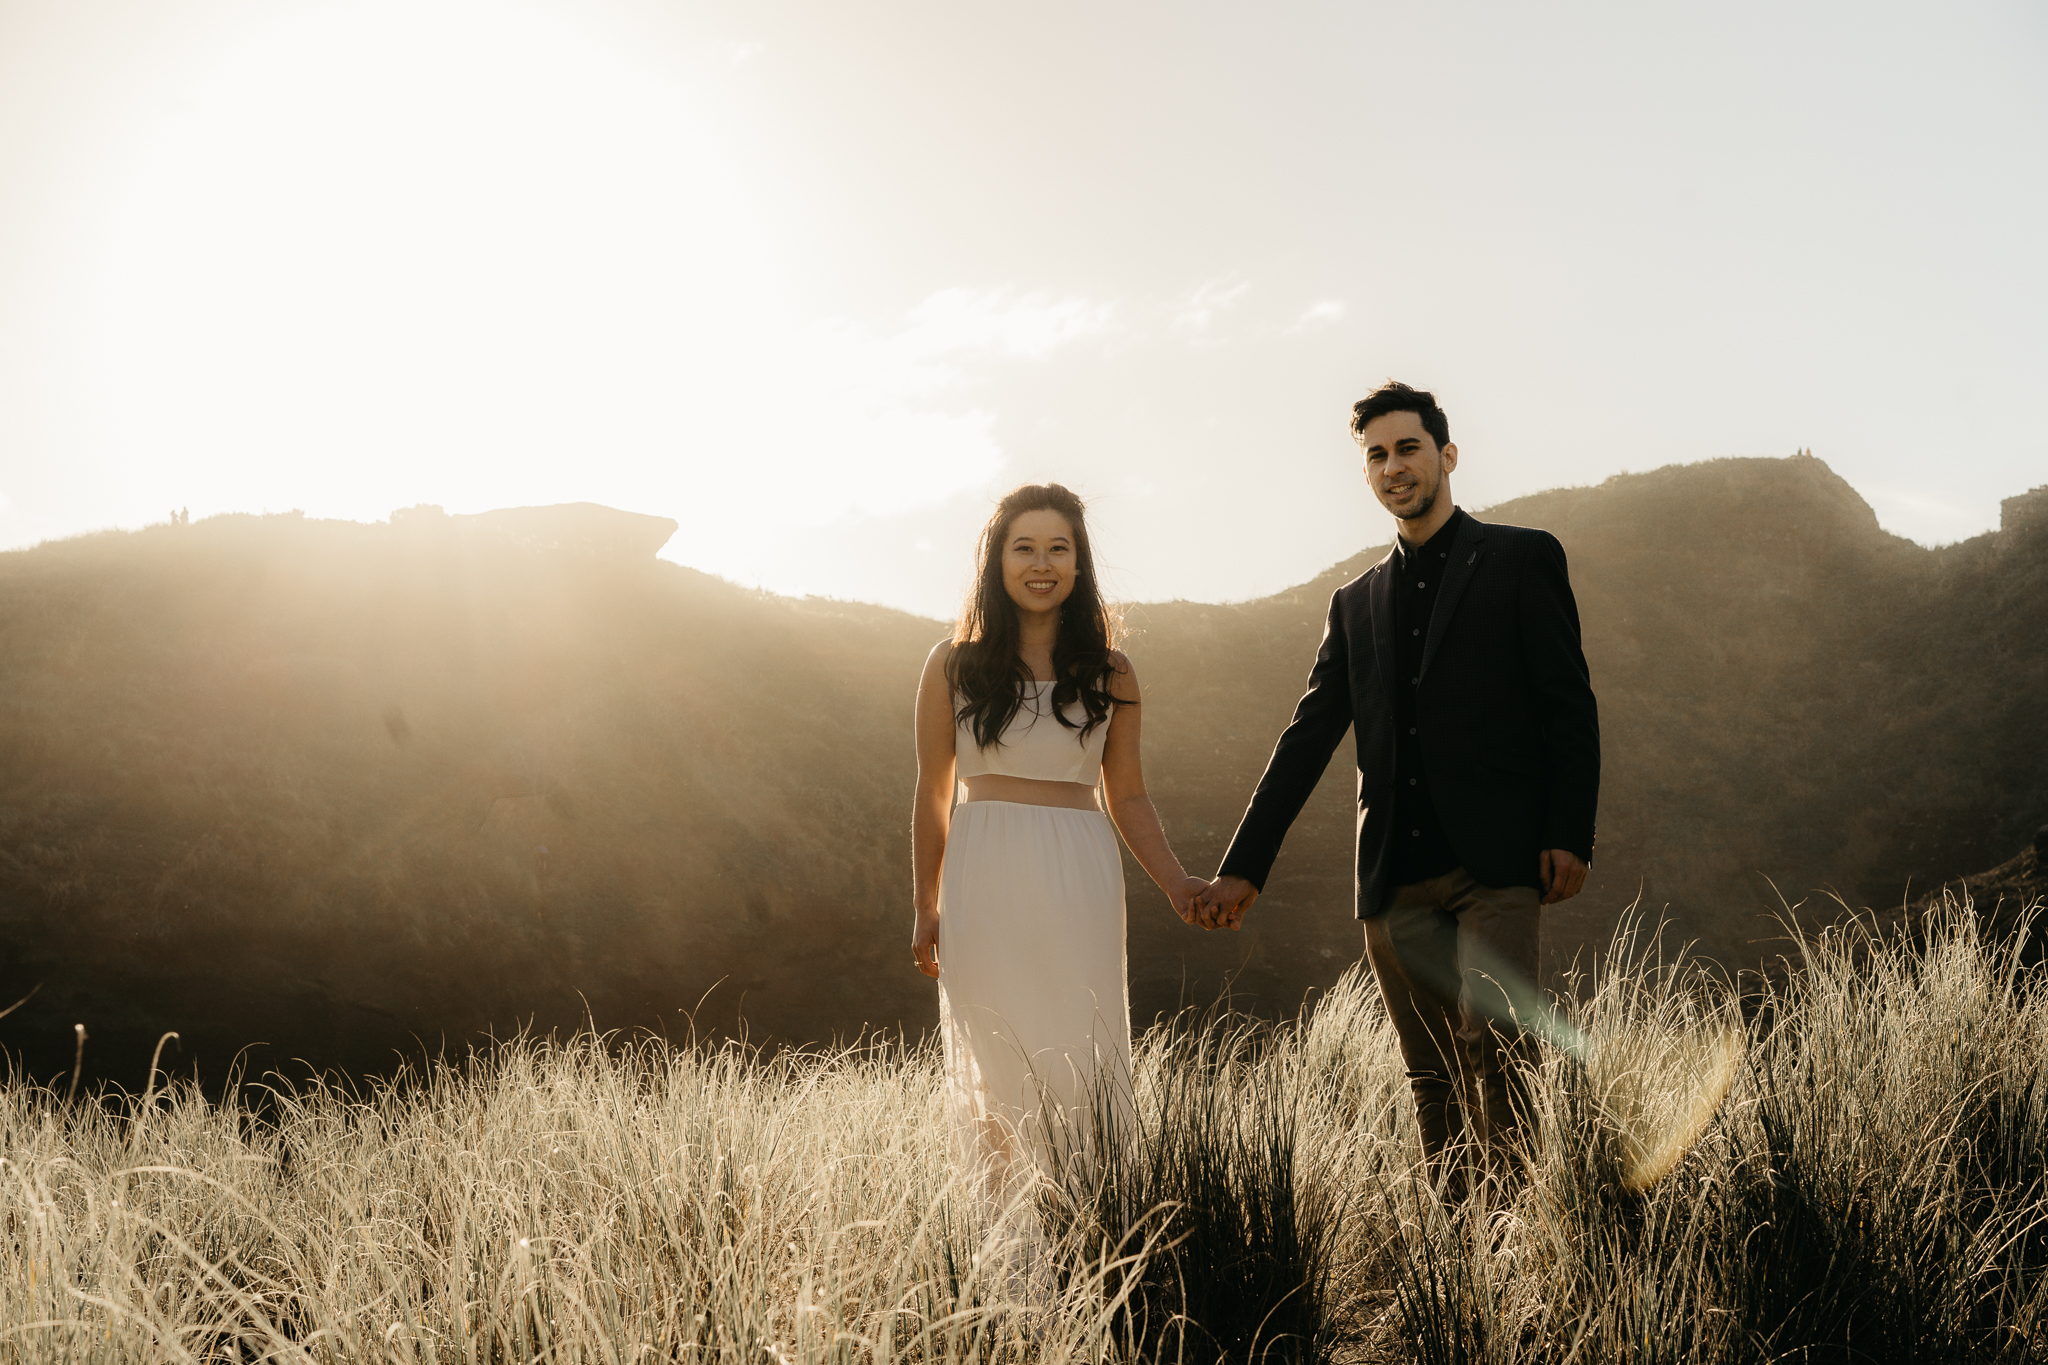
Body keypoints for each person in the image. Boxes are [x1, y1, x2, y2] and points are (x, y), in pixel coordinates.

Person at [1195, 381, 1600, 1195]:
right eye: (1376, 456)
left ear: (1446, 455)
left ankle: (1519, 1249)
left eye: (1407, 448)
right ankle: (1458, 1258)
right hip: (1394, 877)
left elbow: (1568, 702)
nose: (1393, 467)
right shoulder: (1353, 605)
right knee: (1433, 1077)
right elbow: (1307, 737)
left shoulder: (1523, 557)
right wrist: (1245, 865)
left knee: (1503, 1050)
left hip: (1498, 861)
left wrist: (1569, 830)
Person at [910, 483, 1207, 1216]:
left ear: (1078, 564)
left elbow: (1128, 796)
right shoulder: (953, 665)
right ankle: (1006, 1265)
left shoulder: (1112, 672)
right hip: (981, 877)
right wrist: (924, 903)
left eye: (1058, 548)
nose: (1040, 563)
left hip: (1079, 876)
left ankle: (1093, 1233)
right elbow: (931, 793)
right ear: (997, 560)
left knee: (1083, 1052)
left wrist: (1176, 882)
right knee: (995, 1054)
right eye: (1024, 547)